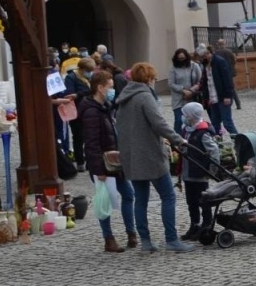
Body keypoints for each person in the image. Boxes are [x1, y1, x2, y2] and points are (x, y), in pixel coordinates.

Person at [114, 62, 194, 254]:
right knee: (168, 196)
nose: (154, 81)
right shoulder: (144, 97)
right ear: (148, 79)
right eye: (153, 78)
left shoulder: (123, 99)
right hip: (150, 155)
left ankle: (146, 241)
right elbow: (159, 123)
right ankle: (172, 239)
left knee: (140, 200)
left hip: (132, 157)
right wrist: (178, 139)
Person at [78, 70, 136, 252]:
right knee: (105, 201)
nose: (112, 90)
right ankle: (108, 238)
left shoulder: (106, 106)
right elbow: (91, 143)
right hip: (103, 163)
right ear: (100, 88)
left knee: (128, 194)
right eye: (110, 87)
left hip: (114, 160)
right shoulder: (91, 112)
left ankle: (131, 233)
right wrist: (98, 169)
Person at [177, 102, 221, 241]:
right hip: (188, 173)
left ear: (191, 116)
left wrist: (211, 170)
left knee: (204, 201)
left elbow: (214, 151)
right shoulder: (186, 129)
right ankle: (194, 224)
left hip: (199, 173)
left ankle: (206, 224)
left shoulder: (203, 133)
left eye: (185, 114)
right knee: (191, 202)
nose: (183, 117)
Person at [169, 48, 200, 135]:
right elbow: (171, 83)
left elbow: (200, 81)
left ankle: (192, 139)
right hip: (178, 99)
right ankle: (177, 141)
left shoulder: (194, 66)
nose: (181, 60)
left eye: (183, 58)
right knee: (179, 121)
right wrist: (183, 90)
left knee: (193, 122)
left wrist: (191, 91)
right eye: (179, 59)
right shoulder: (173, 68)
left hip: (192, 98)